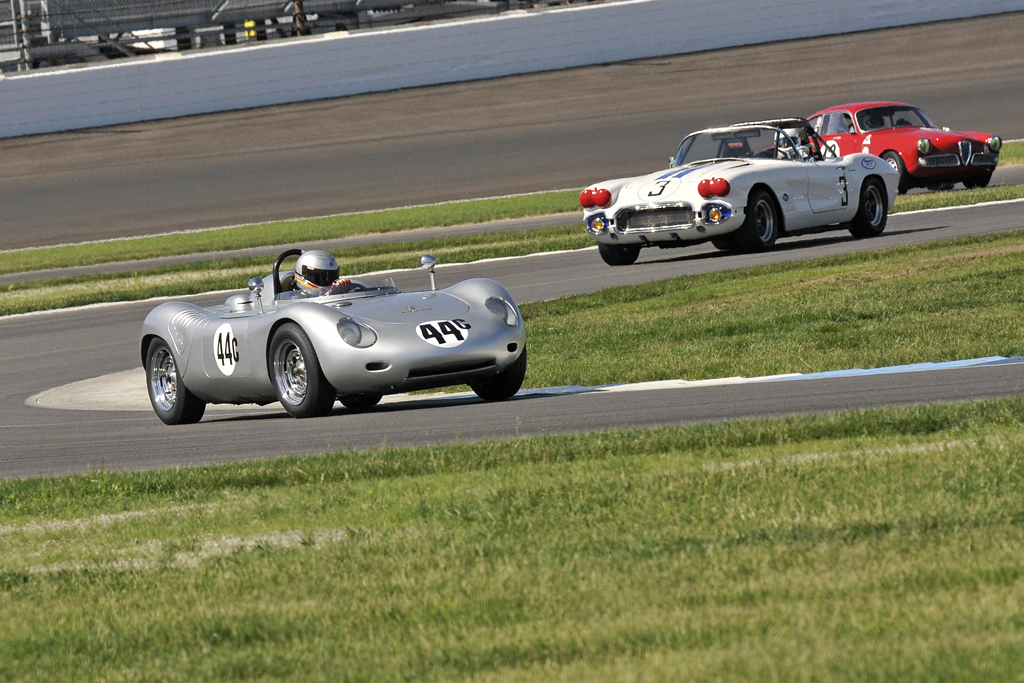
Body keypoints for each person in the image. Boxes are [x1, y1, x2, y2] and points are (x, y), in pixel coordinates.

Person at [292, 250, 366, 297]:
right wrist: (330, 294)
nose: (328, 281)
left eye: (331, 276)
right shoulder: (298, 299)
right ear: (304, 276)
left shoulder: (337, 291)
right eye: (321, 277)